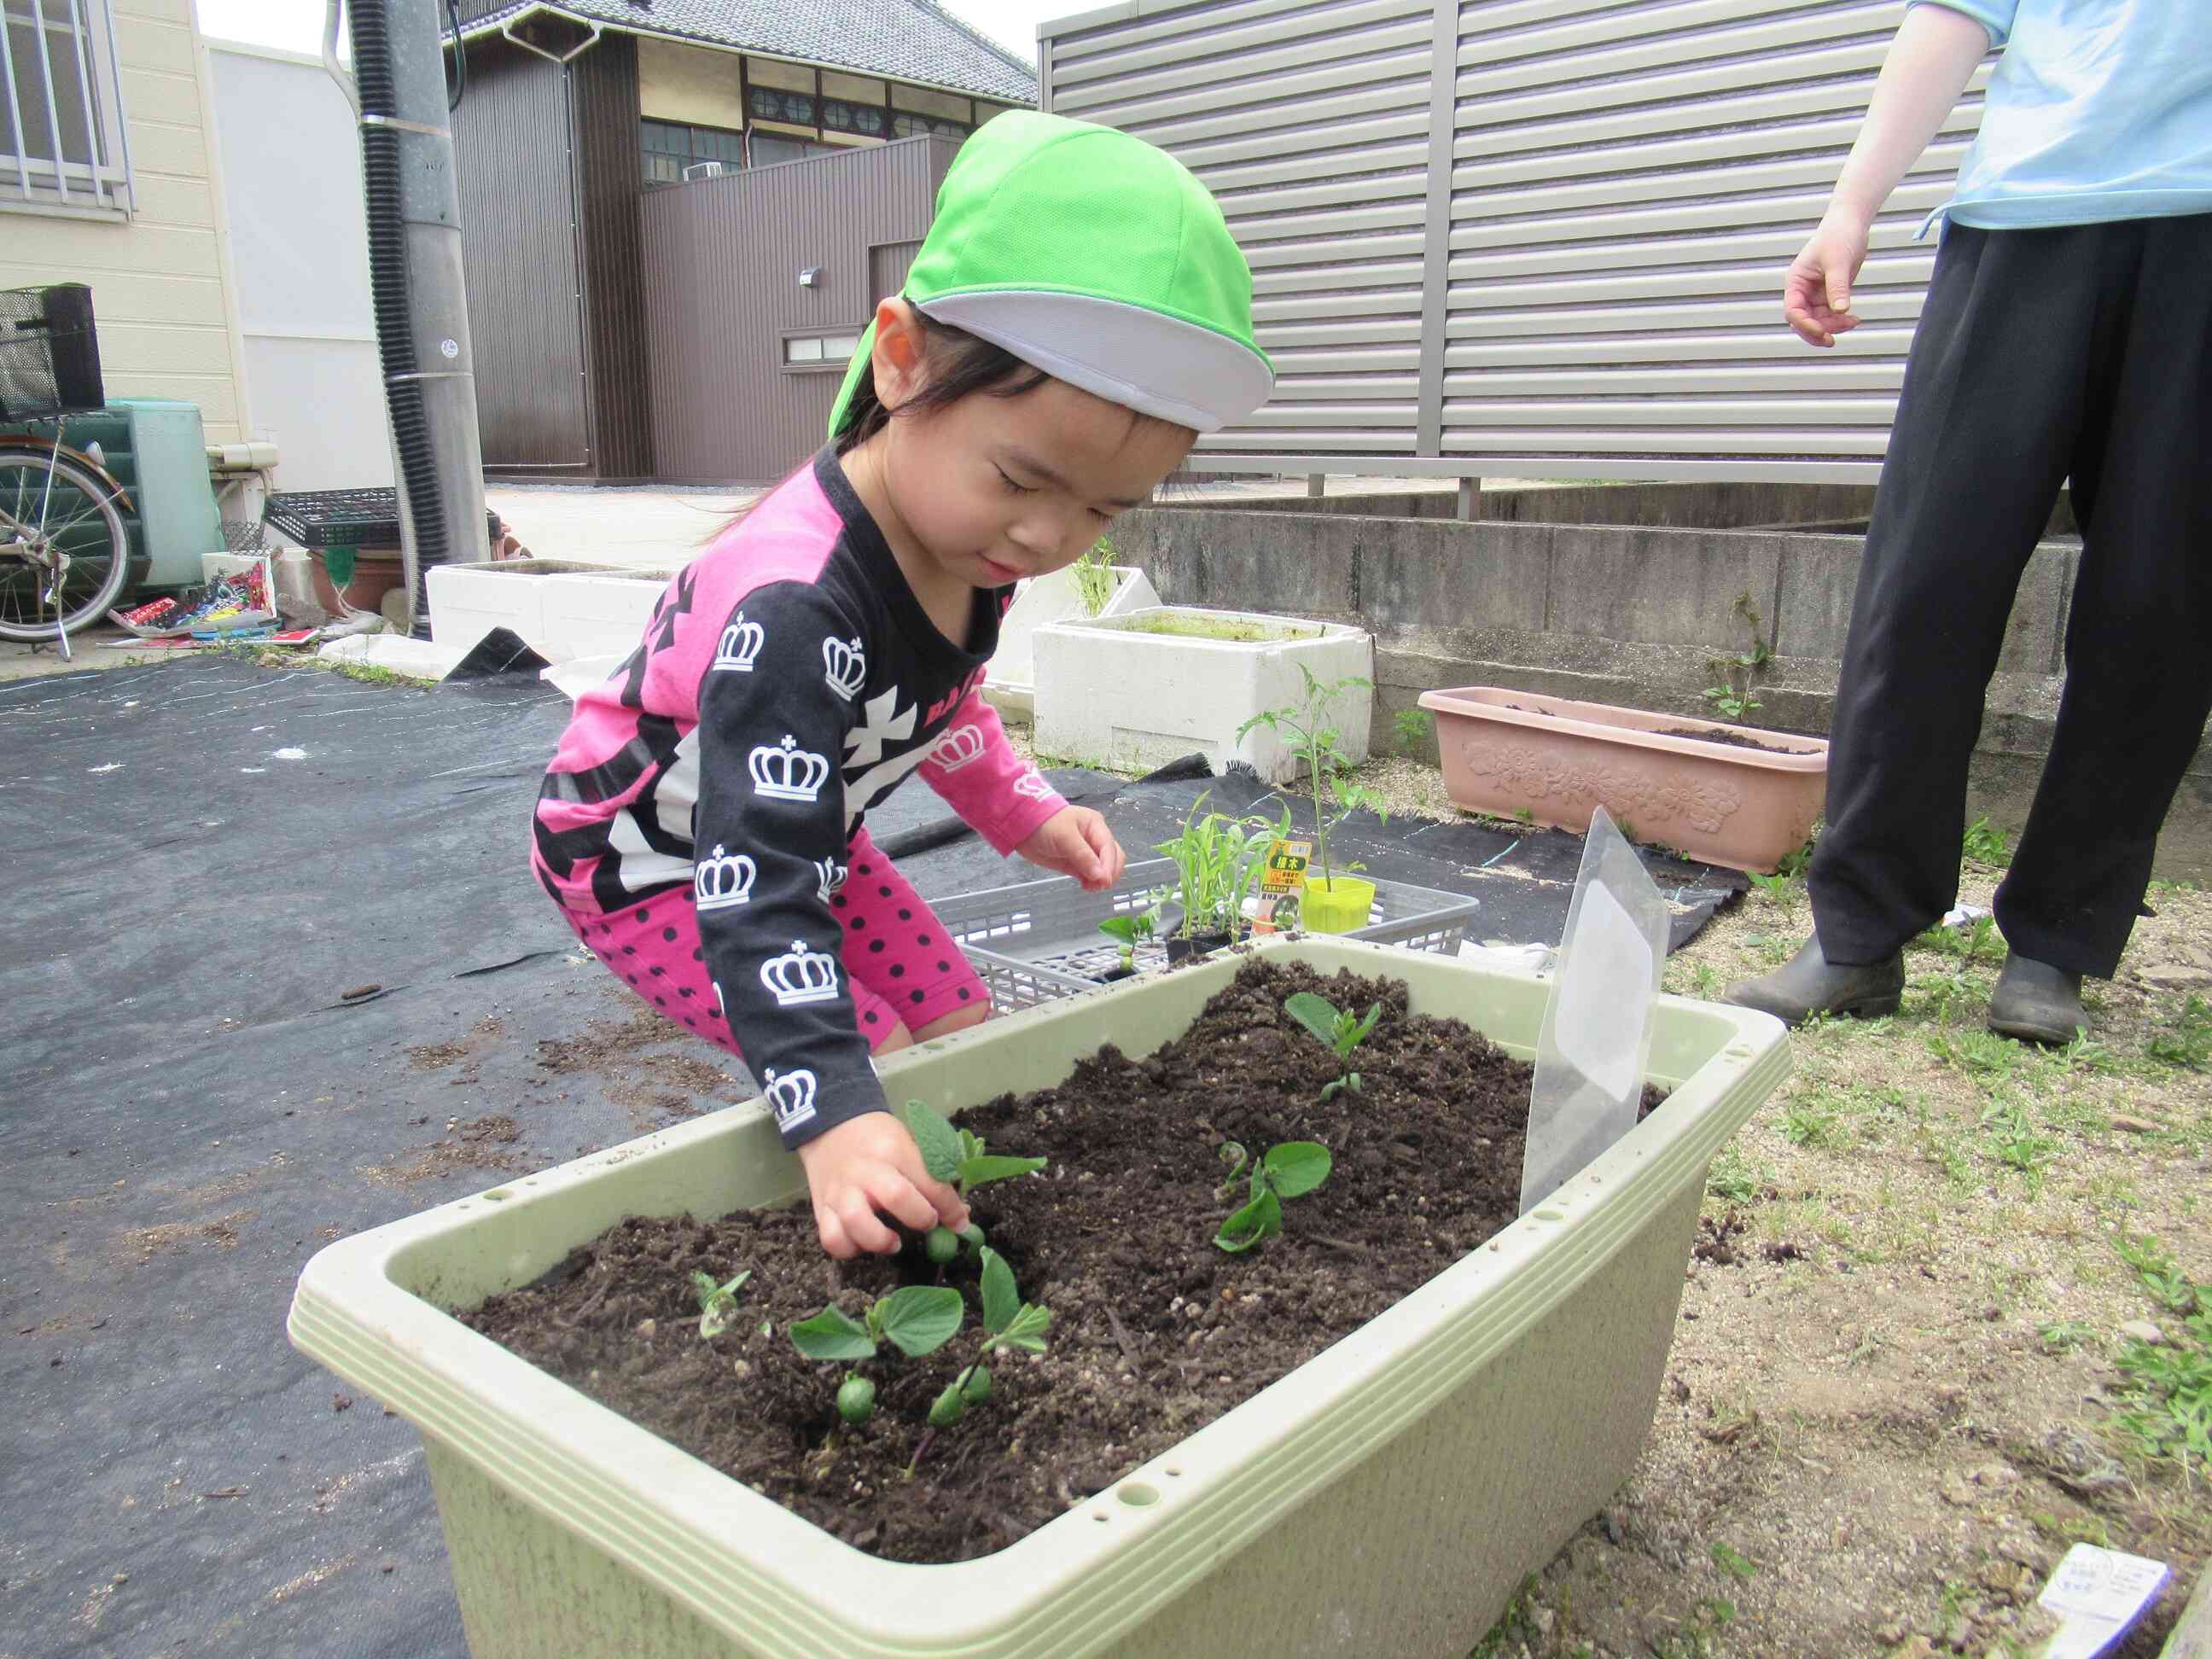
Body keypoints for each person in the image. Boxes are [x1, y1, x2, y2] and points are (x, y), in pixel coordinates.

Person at [530, 113, 1274, 1257]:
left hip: (800, 819)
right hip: (653, 861)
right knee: (855, 1062)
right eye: (1026, 479)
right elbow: (754, 880)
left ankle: (932, 1206)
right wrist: (831, 1112)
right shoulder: (794, 611)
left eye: (1102, 510)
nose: (1047, 535)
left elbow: (935, 705)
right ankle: (858, 1228)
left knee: (956, 1018)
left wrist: (1025, 811)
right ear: (902, 358)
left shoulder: (969, 546)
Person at [1730, 0, 2210, 1043]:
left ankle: (2058, 942)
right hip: (2022, 224)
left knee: (2161, 609)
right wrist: (1850, 206)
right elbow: (1950, 18)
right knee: (1926, 581)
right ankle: (1858, 933)